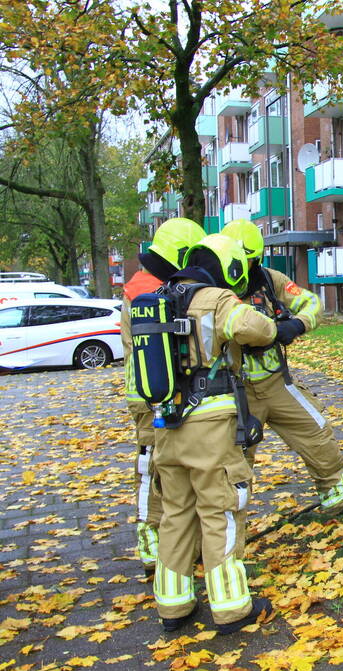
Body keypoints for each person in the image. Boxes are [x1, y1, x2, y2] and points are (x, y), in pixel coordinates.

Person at [147, 233, 276, 634]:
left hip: (166, 426)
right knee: (221, 509)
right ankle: (232, 608)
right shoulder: (217, 299)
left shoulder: (155, 299)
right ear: (229, 268)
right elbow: (259, 330)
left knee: (176, 515)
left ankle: (173, 605)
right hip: (209, 426)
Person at [220, 219, 343, 512]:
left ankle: (338, 499)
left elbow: (311, 302)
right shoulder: (212, 290)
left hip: (276, 383)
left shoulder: (271, 280)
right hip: (234, 390)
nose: (242, 269)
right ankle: (225, 529)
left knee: (317, 431)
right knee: (233, 461)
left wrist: (296, 324)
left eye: (249, 262)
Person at [121, 217, 206, 573]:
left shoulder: (146, 284)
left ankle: (178, 543)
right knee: (153, 468)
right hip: (152, 397)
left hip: (157, 392)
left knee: (169, 469)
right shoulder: (152, 290)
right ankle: (151, 544)